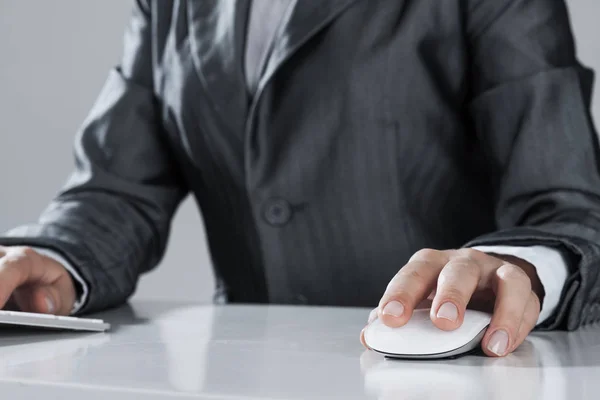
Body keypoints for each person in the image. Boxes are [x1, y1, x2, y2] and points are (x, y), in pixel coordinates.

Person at [1, 0, 599, 358]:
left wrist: (517, 267)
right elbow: (118, 189)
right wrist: (55, 255)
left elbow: (567, 204)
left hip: (449, 370)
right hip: (245, 374)